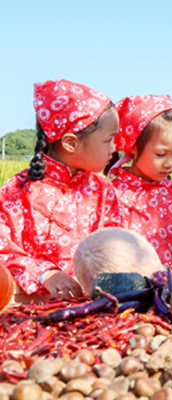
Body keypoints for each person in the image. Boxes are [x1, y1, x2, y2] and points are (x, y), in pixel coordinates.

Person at [0, 79, 122, 298]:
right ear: (71, 143)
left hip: (95, 313)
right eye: (108, 140)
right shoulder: (16, 192)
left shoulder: (103, 190)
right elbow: (3, 247)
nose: (115, 149)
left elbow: (118, 246)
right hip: (29, 315)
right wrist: (45, 274)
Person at [108, 95, 172, 276]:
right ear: (132, 147)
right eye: (160, 154)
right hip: (129, 297)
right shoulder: (113, 195)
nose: (169, 164)